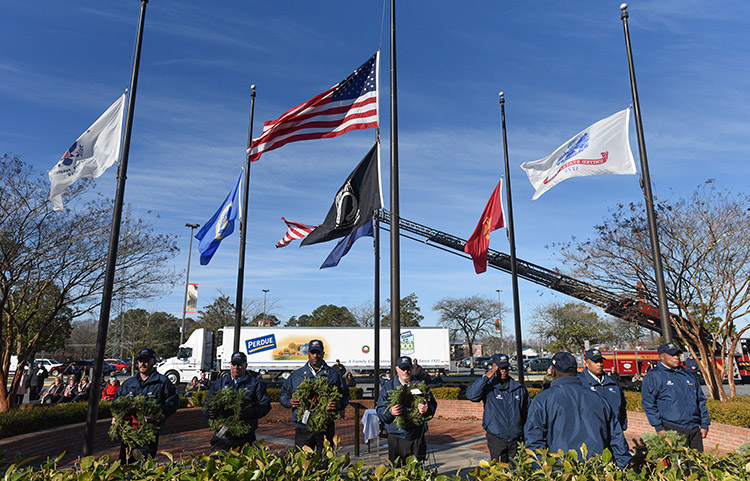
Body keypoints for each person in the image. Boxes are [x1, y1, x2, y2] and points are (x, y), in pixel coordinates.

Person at [525, 352, 631, 469]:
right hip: (596, 470)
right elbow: (617, 438)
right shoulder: (599, 398)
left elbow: (534, 442)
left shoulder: (543, 400)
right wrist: (622, 469)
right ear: (576, 371)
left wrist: (545, 472)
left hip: (561, 472)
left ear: (554, 371)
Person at [280, 339, 349, 451]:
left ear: (323, 354)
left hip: (325, 426)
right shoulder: (297, 375)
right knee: (302, 462)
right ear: (308, 354)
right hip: (303, 426)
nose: (315, 356)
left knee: (325, 461)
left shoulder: (333, 375)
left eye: (318, 353)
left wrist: (338, 404)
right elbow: (284, 393)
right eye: (313, 353)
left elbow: (345, 395)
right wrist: (289, 401)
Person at [641, 343, 710, 451]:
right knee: (677, 465)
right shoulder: (654, 376)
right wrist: (659, 427)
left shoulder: (687, 375)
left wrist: (705, 424)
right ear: (662, 357)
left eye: (677, 355)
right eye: (672, 355)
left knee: (697, 464)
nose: (676, 357)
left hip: (694, 428)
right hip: (671, 428)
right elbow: (648, 403)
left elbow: (700, 400)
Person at [114, 348, 179, 462]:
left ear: (153, 362)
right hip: (128, 432)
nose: (142, 364)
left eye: (146, 361)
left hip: (148, 433)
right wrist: (116, 416)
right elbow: (116, 401)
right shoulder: (129, 383)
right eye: (140, 361)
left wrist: (158, 414)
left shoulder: (162, 382)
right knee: (123, 465)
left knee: (143, 465)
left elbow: (173, 402)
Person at [466, 354, 529, 463]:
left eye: (505, 368)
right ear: (494, 367)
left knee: (517, 473)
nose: (503, 370)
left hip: (516, 439)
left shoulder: (518, 388)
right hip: (497, 438)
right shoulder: (489, 387)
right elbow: (472, 395)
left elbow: (527, 413)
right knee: (499, 473)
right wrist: (487, 376)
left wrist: (525, 436)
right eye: (500, 368)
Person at [203, 352, 271, 451]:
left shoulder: (255, 384)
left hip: (245, 436)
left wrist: (252, 412)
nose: (236, 367)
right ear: (230, 365)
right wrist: (209, 411)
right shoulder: (220, 384)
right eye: (234, 364)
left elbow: (265, 405)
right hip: (223, 435)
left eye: (239, 364)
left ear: (245, 365)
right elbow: (206, 404)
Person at [376, 356, 437, 465]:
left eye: (408, 368)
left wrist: (427, 410)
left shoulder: (421, 386)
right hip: (396, 437)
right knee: (397, 472)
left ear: (412, 368)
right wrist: (390, 412)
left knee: (417, 471)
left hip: (416, 436)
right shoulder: (388, 387)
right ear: (396, 369)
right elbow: (380, 411)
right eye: (402, 368)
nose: (406, 371)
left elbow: (432, 404)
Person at [578, 349, 628, 431]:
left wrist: (622, 426)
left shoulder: (613, 383)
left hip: (614, 433)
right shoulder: (580, 383)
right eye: (595, 362)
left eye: (601, 361)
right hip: (591, 434)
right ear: (586, 363)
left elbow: (622, 406)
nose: (599, 364)